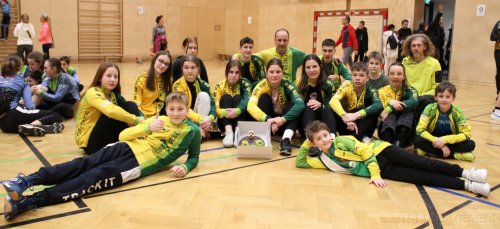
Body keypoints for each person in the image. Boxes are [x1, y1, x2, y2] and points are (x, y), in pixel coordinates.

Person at [2, 92, 201, 220]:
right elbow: (123, 135)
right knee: (83, 163)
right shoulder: (159, 119)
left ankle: (29, 202)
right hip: (124, 146)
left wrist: (185, 167)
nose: (175, 113)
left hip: (136, 164)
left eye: (180, 109)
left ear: (187, 110)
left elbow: (193, 158)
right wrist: (148, 127)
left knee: (91, 178)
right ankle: (25, 181)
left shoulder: (192, 131)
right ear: (166, 109)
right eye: (172, 109)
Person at [296, 121, 490, 197]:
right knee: (421, 176)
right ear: (315, 144)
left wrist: (374, 175)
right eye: (318, 139)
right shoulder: (324, 160)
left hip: (382, 152)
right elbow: (301, 162)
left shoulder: (343, 140)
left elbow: (366, 152)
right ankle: (467, 186)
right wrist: (307, 143)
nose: (324, 140)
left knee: (422, 162)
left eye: (324, 135)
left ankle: (466, 173)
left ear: (329, 133)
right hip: (384, 171)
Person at [76, 62, 144, 155]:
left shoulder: (112, 95)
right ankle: (136, 138)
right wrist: (136, 120)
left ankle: (138, 136)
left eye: (116, 77)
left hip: (104, 137)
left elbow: (128, 108)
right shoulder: (92, 92)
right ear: (100, 77)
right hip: (90, 144)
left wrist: (145, 121)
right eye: (108, 76)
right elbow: (110, 111)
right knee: (111, 113)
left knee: (130, 105)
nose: (113, 79)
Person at [247, 58, 305, 155]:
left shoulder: (288, 85)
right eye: (271, 72)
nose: (274, 75)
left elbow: (300, 104)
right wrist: (268, 119)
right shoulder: (261, 86)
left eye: (278, 72)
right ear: (266, 73)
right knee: (264, 98)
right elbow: (250, 106)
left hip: (284, 124)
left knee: (294, 106)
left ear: (283, 73)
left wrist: (282, 119)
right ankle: (261, 136)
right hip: (268, 123)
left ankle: (286, 140)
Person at [0, 54, 63, 136]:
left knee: (25, 115)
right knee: (55, 115)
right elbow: (30, 106)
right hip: (14, 114)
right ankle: (33, 125)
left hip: (4, 125)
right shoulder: (22, 82)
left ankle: (34, 126)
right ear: (19, 68)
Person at [414, 82, 476, 162]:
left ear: (453, 98)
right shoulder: (429, 108)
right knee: (417, 140)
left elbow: (466, 134)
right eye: (441, 96)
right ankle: (455, 155)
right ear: (436, 97)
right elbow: (420, 130)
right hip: (433, 139)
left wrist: (445, 140)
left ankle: (428, 152)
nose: (444, 99)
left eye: (448, 97)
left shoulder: (457, 112)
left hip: (450, 139)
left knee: (471, 144)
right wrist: (441, 145)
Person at [326, 61, 382, 141]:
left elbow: (379, 105)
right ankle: (332, 137)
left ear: (367, 78)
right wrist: (345, 116)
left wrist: (356, 115)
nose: (357, 78)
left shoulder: (370, 89)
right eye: (354, 75)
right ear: (351, 76)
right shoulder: (347, 85)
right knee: (328, 109)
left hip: (361, 128)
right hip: (347, 125)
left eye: (361, 75)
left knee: (374, 112)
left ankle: (360, 138)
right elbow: (333, 101)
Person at [172, 55, 215, 138]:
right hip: (183, 118)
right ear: (182, 69)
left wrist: (210, 118)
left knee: (204, 96)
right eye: (186, 67)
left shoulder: (203, 84)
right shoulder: (177, 85)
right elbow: (183, 108)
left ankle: (201, 131)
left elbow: (212, 103)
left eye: (193, 67)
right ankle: (201, 129)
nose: (189, 71)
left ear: (198, 69)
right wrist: (201, 119)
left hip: (199, 119)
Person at [213, 60, 252, 147]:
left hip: (242, 122)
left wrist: (237, 111)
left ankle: (239, 133)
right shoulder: (219, 85)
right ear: (226, 73)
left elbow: (247, 100)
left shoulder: (245, 83)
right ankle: (229, 133)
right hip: (224, 123)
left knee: (238, 97)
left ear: (240, 74)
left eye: (237, 72)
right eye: (231, 72)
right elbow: (215, 106)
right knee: (226, 97)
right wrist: (224, 113)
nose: (234, 75)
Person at [377, 62, 418, 147]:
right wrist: (389, 102)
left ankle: (398, 142)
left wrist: (390, 108)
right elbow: (379, 108)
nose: (395, 77)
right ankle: (390, 144)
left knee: (408, 112)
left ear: (404, 77)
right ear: (388, 75)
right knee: (391, 115)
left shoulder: (410, 90)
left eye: (399, 74)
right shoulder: (381, 91)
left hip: (406, 134)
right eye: (392, 73)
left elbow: (414, 101)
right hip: (385, 131)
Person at [295, 54, 336, 135]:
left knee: (327, 109)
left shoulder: (329, 85)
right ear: (304, 69)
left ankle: (332, 137)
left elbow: (330, 108)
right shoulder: (298, 84)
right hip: (305, 123)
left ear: (320, 67)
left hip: (324, 123)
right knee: (308, 106)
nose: (311, 70)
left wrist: (320, 105)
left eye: (314, 66)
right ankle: (309, 138)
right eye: (308, 67)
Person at [401, 34, 441, 117]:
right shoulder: (405, 62)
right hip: (409, 97)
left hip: (425, 99)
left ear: (425, 47)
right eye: (413, 46)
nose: (416, 48)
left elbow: (437, 87)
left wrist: (419, 97)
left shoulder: (435, 63)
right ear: (410, 48)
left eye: (419, 45)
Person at [132, 51, 172, 118]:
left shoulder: (167, 80)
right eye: (161, 61)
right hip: (143, 116)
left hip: (160, 116)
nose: (163, 65)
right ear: (154, 60)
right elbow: (136, 104)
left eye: (166, 64)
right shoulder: (140, 79)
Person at [426, 3, 445, 69]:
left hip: (437, 48)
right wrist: (439, 13)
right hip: (432, 48)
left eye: (442, 20)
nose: (441, 21)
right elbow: (435, 22)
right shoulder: (433, 26)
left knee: (436, 64)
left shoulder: (440, 28)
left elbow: (441, 38)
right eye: (440, 20)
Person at [491, 20, 500, 96]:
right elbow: (492, 36)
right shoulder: (499, 23)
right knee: (499, 73)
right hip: (499, 51)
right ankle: (498, 93)